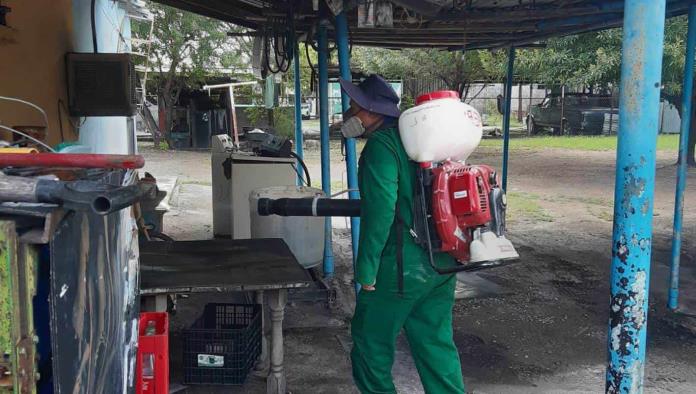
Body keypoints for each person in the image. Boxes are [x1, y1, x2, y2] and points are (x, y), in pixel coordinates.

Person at [339, 74, 466, 394]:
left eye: (354, 106)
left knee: (370, 345)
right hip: (442, 262)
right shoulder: (428, 140)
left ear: (373, 112)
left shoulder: (382, 146)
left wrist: (366, 269)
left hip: (401, 268)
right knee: (436, 346)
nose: (349, 113)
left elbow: (380, 212)